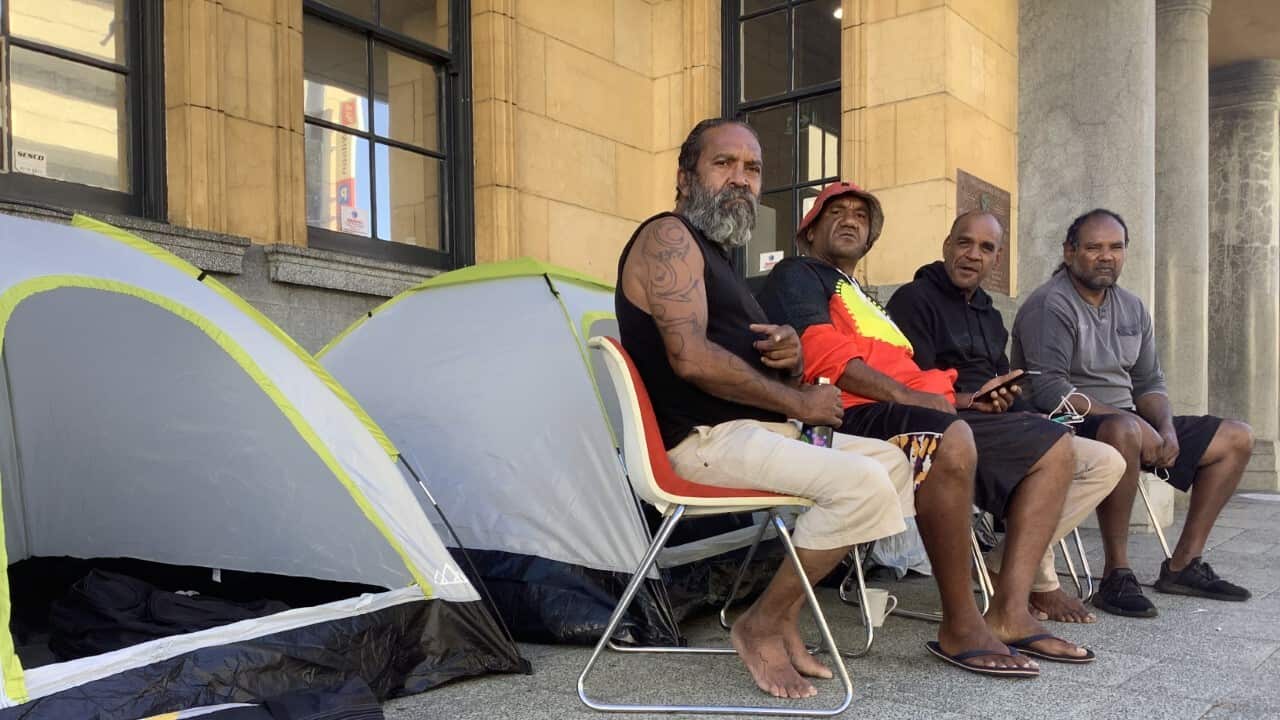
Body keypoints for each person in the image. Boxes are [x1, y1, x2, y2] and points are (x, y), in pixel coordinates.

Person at [758, 181, 1091, 672]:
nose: (851, 220)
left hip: (911, 408)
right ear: (808, 232)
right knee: (948, 436)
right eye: (836, 212)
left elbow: (912, 376)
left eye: (861, 216)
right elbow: (820, 353)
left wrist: (966, 399)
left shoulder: (863, 300)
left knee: (1055, 447)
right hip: (845, 414)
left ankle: (1010, 613)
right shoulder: (799, 273)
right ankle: (960, 626)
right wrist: (922, 401)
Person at [1011, 208, 1254, 618]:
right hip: (1062, 421)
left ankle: (1183, 565)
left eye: (1116, 247)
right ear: (1069, 252)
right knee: (1123, 429)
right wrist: (1137, 426)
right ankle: (1116, 574)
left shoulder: (1132, 308)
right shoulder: (1050, 304)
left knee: (1237, 437)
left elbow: (1149, 383)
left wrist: (1164, 429)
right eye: (1093, 247)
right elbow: (1051, 391)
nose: (1106, 256)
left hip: (1127, 417)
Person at [886, 211, 1124, 624]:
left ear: (996, 262)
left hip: (996, 422)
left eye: (986, 248)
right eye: (964, 243)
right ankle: (1037, 582)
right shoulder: (914, 300)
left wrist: (1004, 396)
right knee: (1051, 451)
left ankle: (1005, 563)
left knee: (1108, 461)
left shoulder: (990, 315)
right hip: (946, 425)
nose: (972, 255)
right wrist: (970, 400)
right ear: (946, 247)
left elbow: (997, 378)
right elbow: (912, 386)